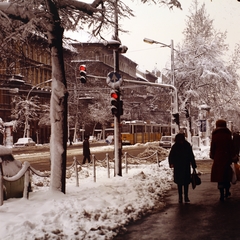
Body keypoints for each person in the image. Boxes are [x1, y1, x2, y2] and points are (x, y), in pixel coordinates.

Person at [210, 119, 235, 202]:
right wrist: (232, 156)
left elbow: (213, 147)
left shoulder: (215, 135)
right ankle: (227, 191)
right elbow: (231, 147)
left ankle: (221, 194)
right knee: (226, 175)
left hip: (218, 158)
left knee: (219, 176)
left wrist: (213, 155)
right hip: (227, 157)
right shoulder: (228, 135)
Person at [168, 133, 197, 203]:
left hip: (179, 167)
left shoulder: (175, 146)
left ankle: (183, 197)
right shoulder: (187, 145)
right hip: (184, 166)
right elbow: (191, 156)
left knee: (181, 183)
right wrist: (193, 165)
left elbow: (171, 156)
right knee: (183, 182)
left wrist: (171, 163)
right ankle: (183, 197)